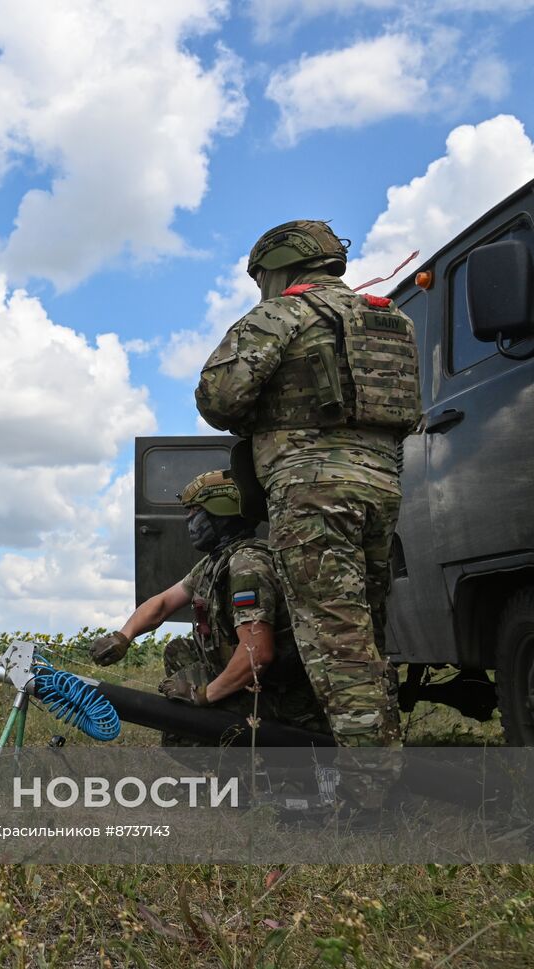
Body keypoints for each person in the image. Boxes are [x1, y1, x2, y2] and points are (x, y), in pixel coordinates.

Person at [193, 220, 421, 810]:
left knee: (334, 641)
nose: (261, 287)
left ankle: (368, 796)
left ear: (282, 263)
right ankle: (382, 767)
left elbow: (217, 398)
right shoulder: (391, 318)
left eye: (261, 275)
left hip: (310, 490)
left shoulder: (282, 317)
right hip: (381, 484)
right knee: (364, 635)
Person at [88, 469, 327, 747]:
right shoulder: (216, 562)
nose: (188, 520)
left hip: (279, 697)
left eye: (194, 511)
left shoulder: (247, 565)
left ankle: (240, 770)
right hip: (255, 682)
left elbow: (257, 654)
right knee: (179, 652)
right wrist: (123, 637)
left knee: (183, 730)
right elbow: (163, 603)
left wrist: (203, 695)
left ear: (221, 512)